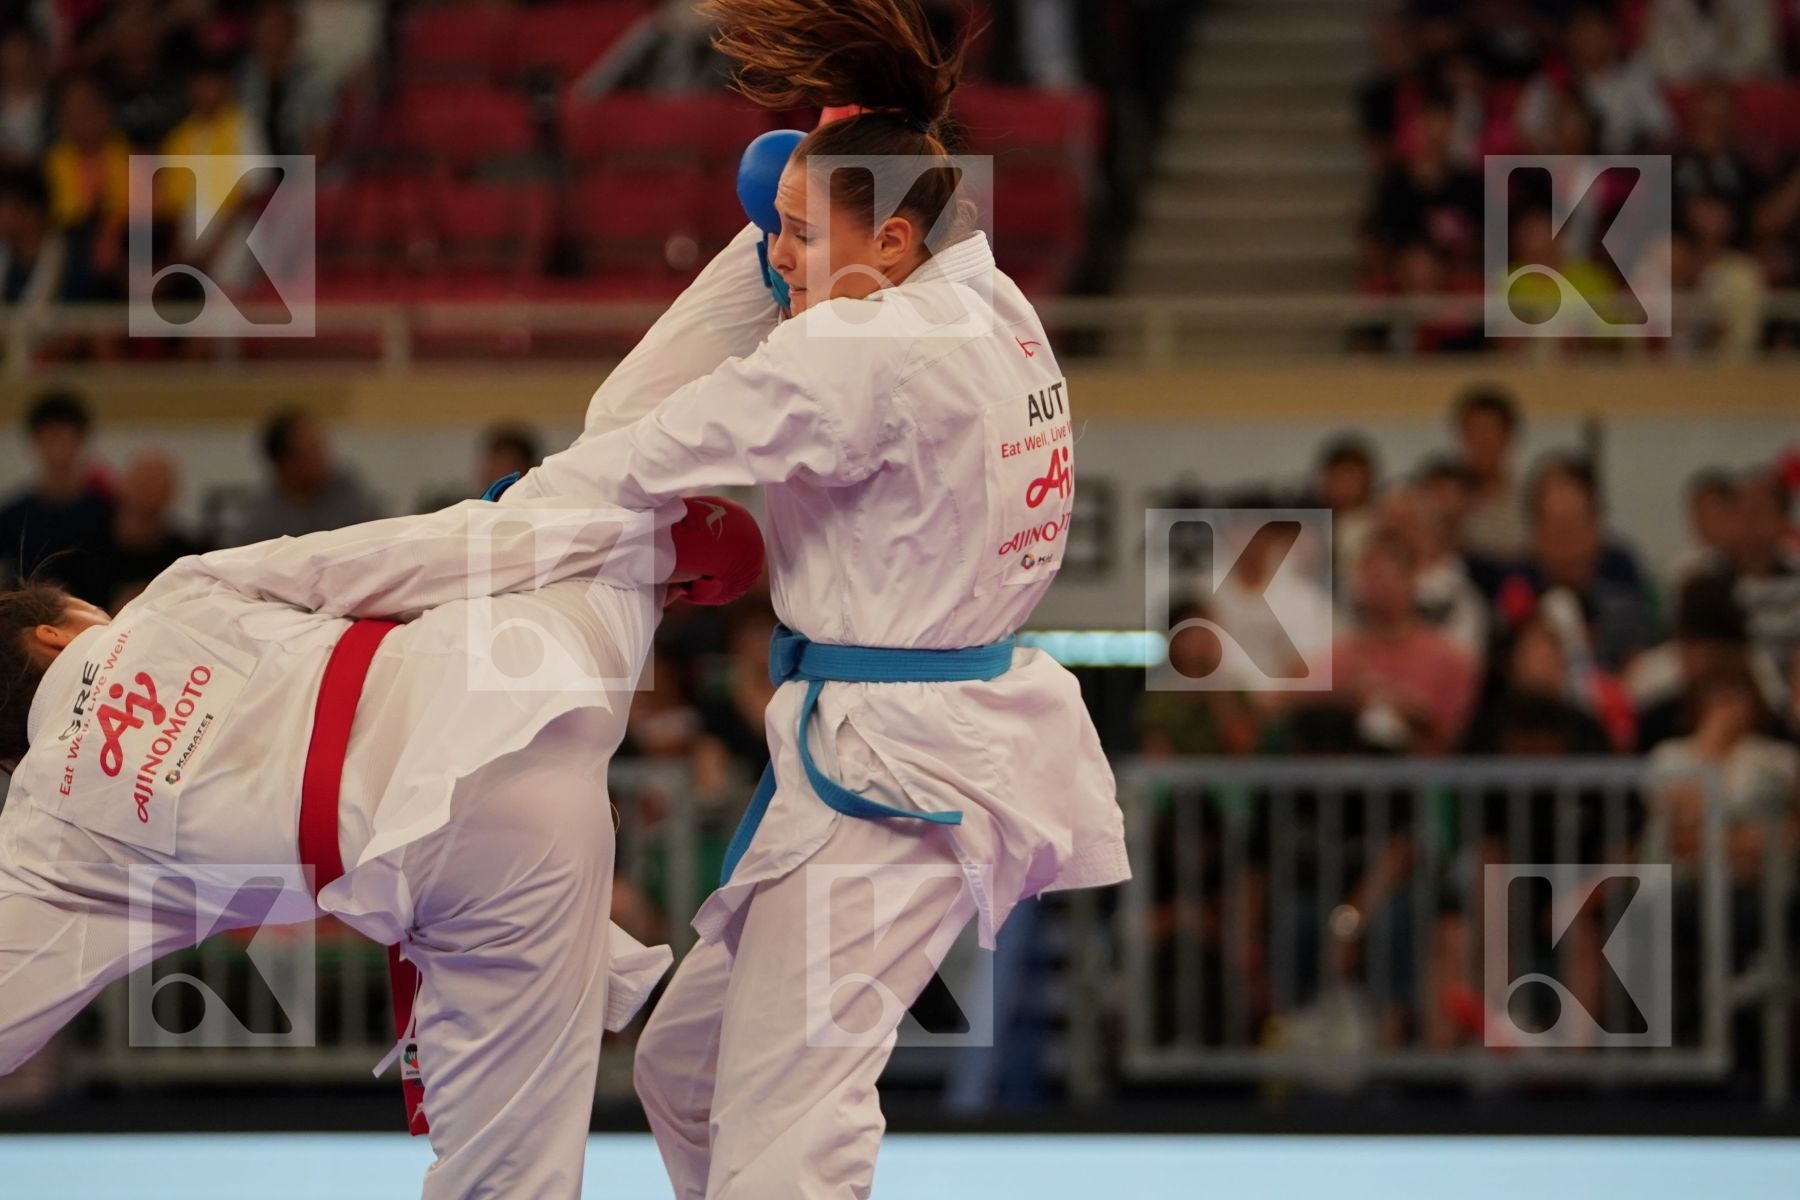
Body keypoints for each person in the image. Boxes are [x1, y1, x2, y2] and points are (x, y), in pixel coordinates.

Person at [498, 2, 1129, 1194]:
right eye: (771, 230)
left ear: (890, 245)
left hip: (892, 779)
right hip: (907, 742)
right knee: (687, 1070)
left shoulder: (858, 355)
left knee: (792, 1119)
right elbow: (910, 203)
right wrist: (842, 150)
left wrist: (491, 533)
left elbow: (627, 436)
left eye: (791, 233)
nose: (773, 255)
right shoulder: (984, 293)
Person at [0, 490, 766, 1199]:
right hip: (510, 679)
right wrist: (607, 540)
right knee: (577, 494)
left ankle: (623, 542)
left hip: (465, 864)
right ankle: (633, 537)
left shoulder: (44, 837)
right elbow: (391, 558)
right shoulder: (172, 597)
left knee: (507, 1179)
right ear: (53, 630)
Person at [0, 390, 114, 604]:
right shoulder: (12, 517)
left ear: (81, 438)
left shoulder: (106, 513)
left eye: (64, 435)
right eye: (50, 435)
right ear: (35, 440)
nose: (57, 446)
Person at [234, 407, 385, 544]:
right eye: (313, 451)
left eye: (322, 447)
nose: (325, 458)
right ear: (286, 463)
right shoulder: (260, 520)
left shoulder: (347, 491)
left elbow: (377, 542)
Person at [91, 449, 202, 612]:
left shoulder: (189, 558)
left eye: (157, 483)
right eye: (142, 481)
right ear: (124, 484)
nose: (148, 490)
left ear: (172, 492)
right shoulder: (86, 551)